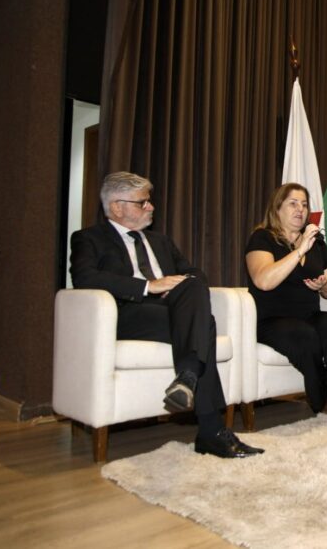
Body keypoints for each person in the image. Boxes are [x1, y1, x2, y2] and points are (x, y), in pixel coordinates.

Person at [70, 172, 263, 458]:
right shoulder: (89, 239)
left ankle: (187, 379)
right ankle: (210, 427)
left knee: (194, 284)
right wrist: (148, 286)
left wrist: (175, 285)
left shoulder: (160, 241)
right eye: (142, 203)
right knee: (205, 325)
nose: (151, 207)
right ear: (116, 207)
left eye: (150, 201)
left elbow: (193, 271)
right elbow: (85, 278)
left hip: (172, 311)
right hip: (128, 314)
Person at [245, 183, 327, 422]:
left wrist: (325, 286)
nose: (300, 210)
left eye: (304, 205)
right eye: (293, 203)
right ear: (277, 209)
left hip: (308, 314)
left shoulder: (317, 243)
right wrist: (299, 249)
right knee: (305, 335)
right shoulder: (262, 238)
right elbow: (263, 280)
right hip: (270, 319)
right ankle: (320, 397)